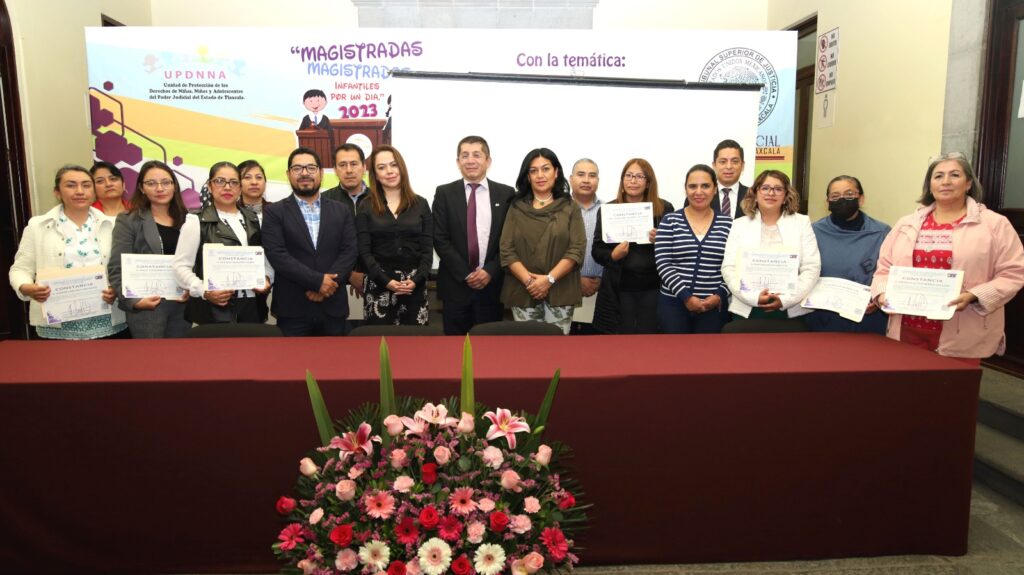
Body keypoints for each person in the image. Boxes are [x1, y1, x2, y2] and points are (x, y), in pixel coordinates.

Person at [872, 153, 1024, 362]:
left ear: (968, 183)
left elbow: (1014, 272)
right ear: (930, 185)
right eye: (938, 176)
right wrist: (882, 294)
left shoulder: (994, 224)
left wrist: (974, 295)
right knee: (907, 381)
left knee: (952, 382)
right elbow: (884, 268)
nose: (946, 181)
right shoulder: (906, 223)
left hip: (962, 329)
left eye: (954, 175)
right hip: (906, 328)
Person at [9, 165, 127, 339]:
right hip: (56, 324)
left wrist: (116, 289)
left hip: (109, 321)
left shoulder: (114, 224)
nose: (80, 191)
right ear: (57, 192)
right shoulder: (37, 226)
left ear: (94, 191)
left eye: (86, 185)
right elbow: (20, 269)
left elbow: (124, 268)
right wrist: (26, 287)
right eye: (71, 185)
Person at [262, 148, 358, 336]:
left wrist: (326, 286)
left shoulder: (341, 210)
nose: (304, 173)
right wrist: (317, 282)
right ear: (288, 174)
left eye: (311, 168)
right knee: (292, 357)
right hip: (292, 309)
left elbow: (349, 251)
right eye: (297, 168)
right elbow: (277, 255)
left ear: (321, 172)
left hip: (333, 306)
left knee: (337, 356)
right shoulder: (274, 212)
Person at [432, 135, 515, 335]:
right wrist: (467, 274)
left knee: (490, 347)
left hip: (492, 286)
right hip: (455, 286)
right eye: (465, 155)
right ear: (458, 162)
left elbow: (510, 240)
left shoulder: (506, 194)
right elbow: (440, 239)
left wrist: (490, 271)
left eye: (476, 155)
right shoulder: (444, 193)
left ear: (488, 160)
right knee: (454, 347)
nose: (470, 160)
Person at [499, 148, 586, 334]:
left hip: (561, 289)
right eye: (533, 171)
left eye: (546, 169)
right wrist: (530, 282)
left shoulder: (570, 207)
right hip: (523, 289)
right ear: (528, 176)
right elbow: (506, 249)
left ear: (556, 172)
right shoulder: (516, 207)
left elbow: (576, 249)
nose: (540, 175)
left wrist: (549, 279)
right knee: (527, 348)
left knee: (557, 347)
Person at [173, 161, 272, 324]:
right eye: (220, 181)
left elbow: (267, 260)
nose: (227, 187)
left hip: (252, 308)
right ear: (209, 186)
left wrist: (266, 277)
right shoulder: (196, 221)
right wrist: (204, 290)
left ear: (240, 187)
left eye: (233, 182)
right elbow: (180, 267)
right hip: (213, 311)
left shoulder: (255, 219)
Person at [721, 169, 820, 324]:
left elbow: (811, 267)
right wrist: (753, 297)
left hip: (790, 309)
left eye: (778, 189)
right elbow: (729, 267)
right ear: (755, 193)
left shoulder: (802, 223)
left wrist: (786, 299)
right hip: (747, 308)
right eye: (765, 188)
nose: (771, 193)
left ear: (786, 195)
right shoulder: (739, 225)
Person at [107, 160, 191, 338]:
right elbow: (116, 267)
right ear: (142, 188)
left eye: (166, 182)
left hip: (183, 305)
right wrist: (134, 301)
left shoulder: (188, 219)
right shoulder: (129, 220)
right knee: (151, 355)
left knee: (182, 354)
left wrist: (193, 287)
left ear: (174, 186)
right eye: (151, 183)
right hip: (147, 308)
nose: (160, 188)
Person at [591, 158, 675, 334]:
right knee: (619, 341)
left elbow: (676, 249)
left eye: (639, 176)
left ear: (648, 182)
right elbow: (597, 250)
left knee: (650, 341)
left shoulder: (664, 209)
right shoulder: (608, 210)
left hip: (654, 288)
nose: (633, 181)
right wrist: (612, 255)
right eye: (628, 175)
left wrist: (661, 240)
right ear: (622, 180)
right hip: (618, 289)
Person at [356, 145, 433, 325]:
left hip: (414, 285)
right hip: (378, 284)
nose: (389, 171)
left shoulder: (421, 204)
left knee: (414, 341)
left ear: (401, 168)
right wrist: (386, 281)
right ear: (375, 174)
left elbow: (427, 250)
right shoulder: (365, 206)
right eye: (381, 167)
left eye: (393, 165)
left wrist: (416, 280)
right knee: (379, 340)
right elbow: (364, 252)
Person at [805, 175, 890, 334]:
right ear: (827, 202)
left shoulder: (882, 232)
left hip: (866, 317)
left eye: (849, 194)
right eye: (835, 196)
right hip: (823, 317)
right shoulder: (813, 232)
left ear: (861, 199)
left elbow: (889, 272)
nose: (842, 199)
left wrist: (878, 298)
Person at [656, 164, 732, 333]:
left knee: (709, 350)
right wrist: (686, 297)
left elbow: (733, 266)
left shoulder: (728, 224)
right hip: (673, 304)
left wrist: (719, 295)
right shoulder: (670, 221)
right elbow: (663, 263)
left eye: (705, 186)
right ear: (685, 189)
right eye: (692, 186)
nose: (698, 192)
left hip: (714, 307)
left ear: (715, 189)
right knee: (675, 349)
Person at [322, 143, 371, 298]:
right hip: (335, 283)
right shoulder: (323, 201)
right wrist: (349, 274)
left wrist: (369, 275)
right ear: (335, 170)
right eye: (342, 165)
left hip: (376, 281)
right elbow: (322, 246)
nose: (349, 170)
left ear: (364, 167)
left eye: (354, 164)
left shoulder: (379, 199)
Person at [568, 158, 603, 335]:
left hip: (601, 293)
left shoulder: (609, 210)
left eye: (592, 175)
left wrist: (602, 280)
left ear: (598, 180)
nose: (586, 180)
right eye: (581, 174)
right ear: (570, 179)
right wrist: (576, 280)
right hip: (564, 290)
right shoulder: (558, 209)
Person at [710, 139, 748, 220]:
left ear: (742, 165)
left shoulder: (753, 196)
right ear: (714, 165)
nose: (729, 166)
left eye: (735, 161)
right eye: (723, 162)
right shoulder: (701, 196)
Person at [238, 159, 269, 224]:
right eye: (247, 177)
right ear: (238, 183)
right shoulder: (231, 211)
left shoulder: (276, 211)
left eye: (259, 177)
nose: (254, 182)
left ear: (265, 182)